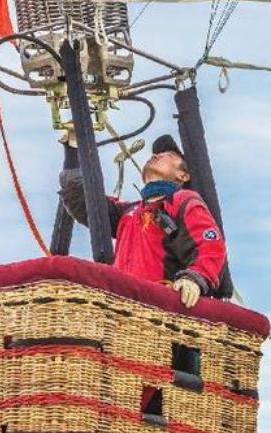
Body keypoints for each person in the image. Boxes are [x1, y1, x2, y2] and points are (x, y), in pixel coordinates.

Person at [59, 132, 227, 308]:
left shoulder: (183, 201)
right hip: (122, 307)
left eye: (167, 156)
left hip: (158, 308)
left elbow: (210, 246)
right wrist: (73, 148)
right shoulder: (129, 212)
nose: (155, 156)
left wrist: (194, 278)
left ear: (183, 176)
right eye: (155, 154)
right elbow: (83, 201)